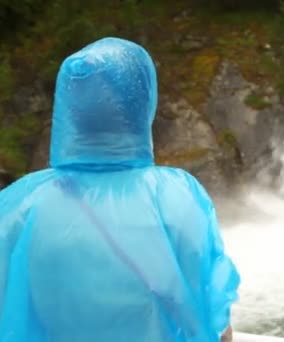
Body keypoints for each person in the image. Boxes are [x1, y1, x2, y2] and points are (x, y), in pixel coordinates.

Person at [0, 37, 240, 342]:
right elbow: (215, 319)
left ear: (68, 107)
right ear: (142, 102)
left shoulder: (17, 205)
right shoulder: (178, 196)